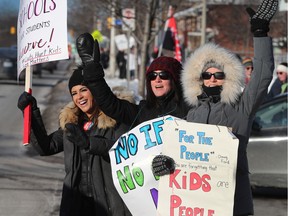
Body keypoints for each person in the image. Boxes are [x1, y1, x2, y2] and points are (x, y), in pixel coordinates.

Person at [179, 0, 277, 215]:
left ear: (228, 78)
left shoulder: (242, 107)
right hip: (198, 201)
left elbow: (262, 77)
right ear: (199, 79)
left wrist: (260, 33)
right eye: (207, 75)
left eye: (219, 74)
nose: (212, 79)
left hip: (233, 200)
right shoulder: (192, 113)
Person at [17, 66, 132, 216]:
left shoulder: (117, 119)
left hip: (108, 206)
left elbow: (124, 151)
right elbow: (46, 147)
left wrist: (90, 143)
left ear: (96, 90)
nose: (80, 97)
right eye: (74, 93)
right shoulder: (72, 123)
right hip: (75, 205)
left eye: (84, 90)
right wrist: (30, 113)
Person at [75, 33, 190, 129]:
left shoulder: (190, 110)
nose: (157, 80)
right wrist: (93, 74)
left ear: (175, 80)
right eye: (152, 76)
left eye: (163, 75)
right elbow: (112, 105)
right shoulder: (143, 111)